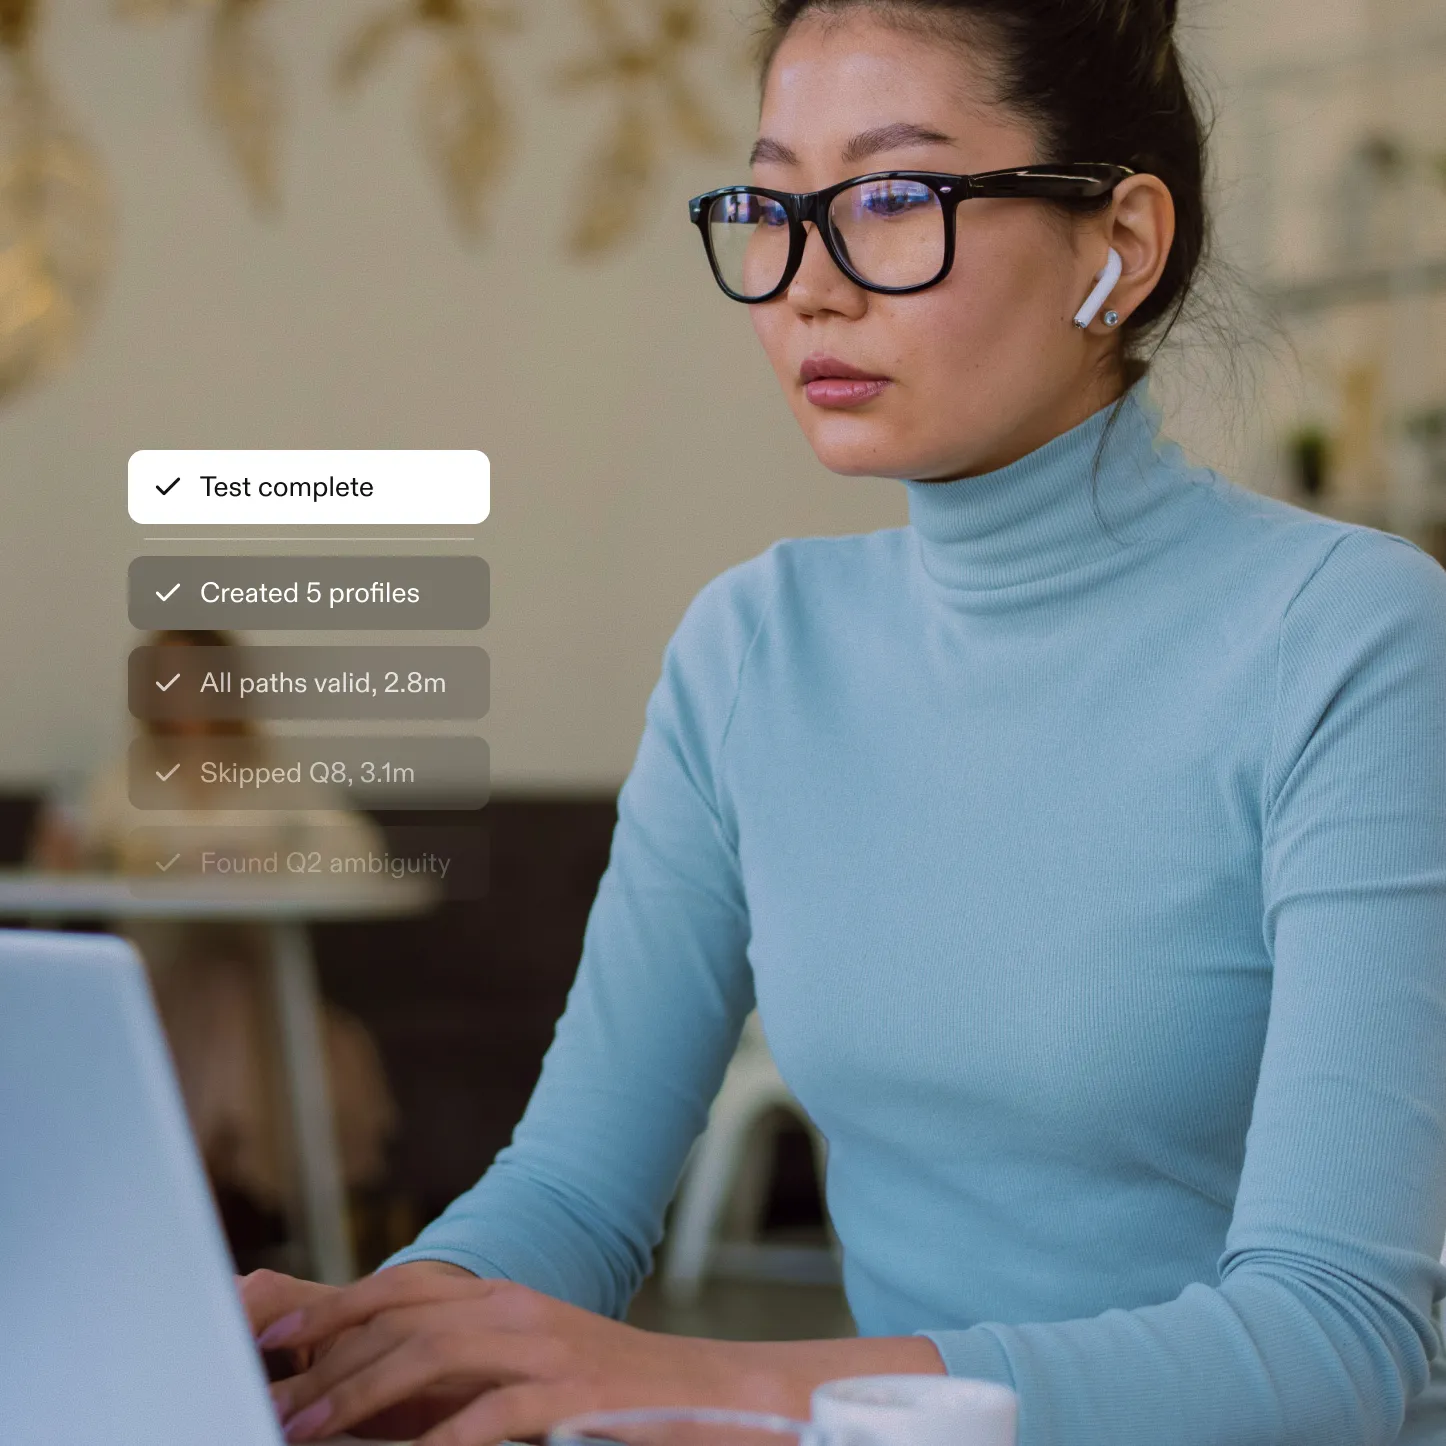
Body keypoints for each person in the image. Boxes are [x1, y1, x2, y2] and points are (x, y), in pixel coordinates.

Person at [241, 2, 1446, 1442]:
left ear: (1118, 243)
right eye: (769, 207)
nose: (805, 282)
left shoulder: (1351, 636)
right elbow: (571, 1188)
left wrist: (713, 1380)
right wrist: (348, 1341)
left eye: (889, 197)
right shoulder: (752, 647)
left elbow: (1333, 1339)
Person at [35, 629, 397, 1254]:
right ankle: (222, 1217)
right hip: (154, 1002)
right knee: (215, 999)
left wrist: (265, 861)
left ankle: (192, 1214)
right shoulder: (117, 784)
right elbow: (56, 878)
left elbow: (357, 854)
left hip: (259, 1007)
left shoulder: (276, 780)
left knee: (228, 996)